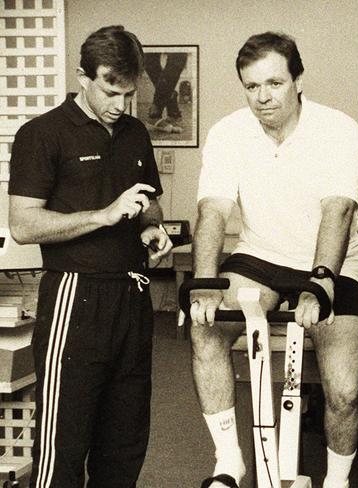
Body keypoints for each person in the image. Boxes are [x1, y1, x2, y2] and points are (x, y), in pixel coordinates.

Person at [190, 32, 358, 488]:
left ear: (298, 80)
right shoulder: (228, 132)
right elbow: (212, 210)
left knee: (344, 387)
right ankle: (229, 462)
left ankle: (337, 481)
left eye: (274, 83)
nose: (263, 97)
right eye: (251, 87)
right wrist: (205, 279)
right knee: (205, 326)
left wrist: (322, 280)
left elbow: (339, 210)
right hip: (258, 257)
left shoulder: (337, 128)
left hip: (332, 262)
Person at [8, 25, 173, 487]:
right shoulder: (42, 134)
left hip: (133, 297)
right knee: (63, 444)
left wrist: (151, 226)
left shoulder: (136, 132)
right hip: (74, 298)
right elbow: (23, 225)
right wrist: (103, 216)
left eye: (129, 92)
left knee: (124, 443)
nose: (120, 104)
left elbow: (149, 200)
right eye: (109, 90)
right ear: (82, 76)